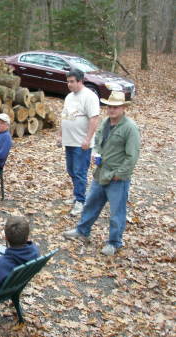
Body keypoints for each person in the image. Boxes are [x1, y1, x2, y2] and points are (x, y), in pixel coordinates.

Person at [62, 91, 140, 256]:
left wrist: (120, 174)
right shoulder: (105, 123)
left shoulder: (130, 128)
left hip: (117, 177)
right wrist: (95, 153)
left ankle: (114, 242)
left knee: (116, 212)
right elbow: (97, 142)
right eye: (110, 106)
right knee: (91, 203)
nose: (111, 110)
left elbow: (132, 156)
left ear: (124, 108)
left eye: (115, 107)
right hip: (101, 173)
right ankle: (82, 231)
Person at [57, 68, 100, 216]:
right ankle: (77, 196)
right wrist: (60, 135)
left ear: (80, 81)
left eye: (72, 81)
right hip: (69, 141)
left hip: (81, 143)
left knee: (80, 172)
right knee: (71, 170)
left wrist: (88, 139)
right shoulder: (69, 97)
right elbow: (65, 117)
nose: (69, 84)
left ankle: (81, 201)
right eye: (68, 81)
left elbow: (94, 119)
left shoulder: (89, 97)